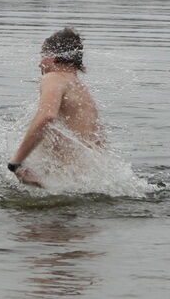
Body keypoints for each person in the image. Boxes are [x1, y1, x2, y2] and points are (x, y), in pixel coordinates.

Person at [7, 27, 104, 188]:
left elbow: (46, 117)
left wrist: (15, 163)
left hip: (59, 183)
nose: (40, 63)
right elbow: (99, 141)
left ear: (54, 57)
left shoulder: (54, 78)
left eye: (43, 55)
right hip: (80, 181)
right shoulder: (83, 91)